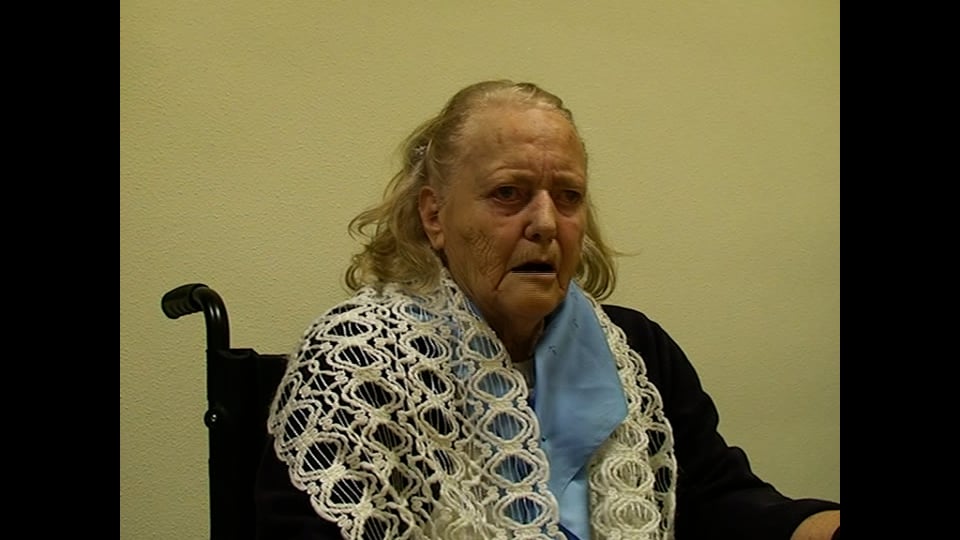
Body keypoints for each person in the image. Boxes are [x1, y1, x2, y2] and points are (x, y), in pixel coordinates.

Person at [254, 79, 840, 540]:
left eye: (568, 197)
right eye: (507, 193)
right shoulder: (357, 363)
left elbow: (718, 500)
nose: (544, 223)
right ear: (434, 216)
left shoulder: (637, 349)